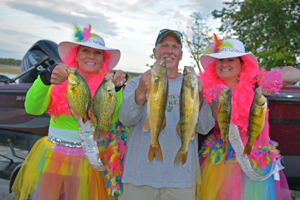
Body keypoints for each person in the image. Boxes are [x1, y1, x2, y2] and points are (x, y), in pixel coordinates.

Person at [12, 24, 128, 200]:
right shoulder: (58, 78)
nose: (91, 56)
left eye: (97, 53)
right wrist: (44, 80)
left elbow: (115, 119)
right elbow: (32, 108)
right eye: (85, 50)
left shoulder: (108, 85)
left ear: (103, 59)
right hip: (55, 157)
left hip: (89, 161)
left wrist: (117, 91)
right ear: (76, 54)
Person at [118, 29, 215, 200]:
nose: (169, 51)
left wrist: (199, 98)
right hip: (139, 177)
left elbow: (205, 127)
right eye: (164, 46)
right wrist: (140, 92)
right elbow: (125, 119)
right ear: (154, 51)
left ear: (180, 54)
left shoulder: (195, 86)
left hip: (182, 180)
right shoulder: (136, 82)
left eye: (175, 47)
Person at [198, 37, 300, 200]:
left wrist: (273, 77)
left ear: (241, 64)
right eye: (220, 60)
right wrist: (216, 98)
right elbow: (214, 118)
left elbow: (295, 74)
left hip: (257, 164)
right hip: (223, 166)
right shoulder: (208, 90)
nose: (224, 64)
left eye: (230, 59)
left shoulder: (256, 83)